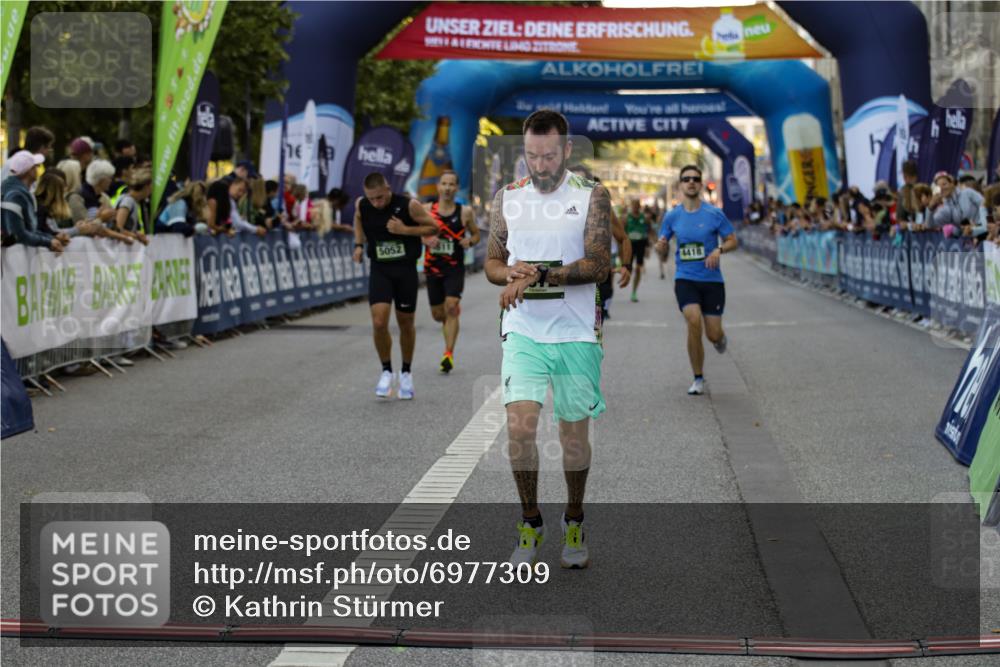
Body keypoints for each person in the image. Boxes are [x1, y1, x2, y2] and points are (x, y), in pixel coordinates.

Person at [485, 109, 611, 570]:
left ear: (567, 151)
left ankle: (573, 517)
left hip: (576, 331)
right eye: (533, 155)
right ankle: (530, 520)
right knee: (519, 428)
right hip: (524, 329)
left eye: (549, 155)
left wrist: (537, 274)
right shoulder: (507, 198)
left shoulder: (592, 195)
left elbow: (599, 264)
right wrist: (509, 273)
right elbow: (493, 263)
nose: (540, 165)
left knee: (573, 437)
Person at [353, 172, 439, 399]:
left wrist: (405, 230)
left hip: (405, 270)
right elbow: (359, 219)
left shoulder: (409, 205)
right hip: (380, 269)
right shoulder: (363, 205)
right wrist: (358, 245)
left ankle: (406, 372)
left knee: (405, 322)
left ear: (388, 188)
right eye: (372, 199)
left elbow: (433, 228)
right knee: (379, 321)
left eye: (380, 198)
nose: (376, 203)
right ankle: (386, 370)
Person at [655, 165, 738, 396]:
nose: (691, 182)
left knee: (712, 334)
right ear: (680, 184)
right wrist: (660, 248)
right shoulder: (672, 216)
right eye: (686, 179)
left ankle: (719, 339)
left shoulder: (714, 214)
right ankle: (698, 377)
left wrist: (719, 250)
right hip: (685, 278)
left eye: (695, 179)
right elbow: (662, 245)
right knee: (693, 321)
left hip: (712, 281)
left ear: (700, 184)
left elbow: (733, 240)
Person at [421, 170, 480, 373]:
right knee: (438, 315)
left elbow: (476, 235)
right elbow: (417, 232)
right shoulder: (427, 210)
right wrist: (425, 239)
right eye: (444, 184)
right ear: (438, 186)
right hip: (433, 268)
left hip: (454, 267)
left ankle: (448, 354)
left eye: (451, 184)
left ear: (456, 188)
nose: (447, 188)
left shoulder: (465, 212)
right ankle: (447, 318)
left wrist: (469, 241)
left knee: (452, 306)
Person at [1, 151, 64, 252]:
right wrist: (48, 242)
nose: (38, 170)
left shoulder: (18, 192)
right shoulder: (15, 195)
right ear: (29, 171)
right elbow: (18, 234)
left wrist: (52, 238)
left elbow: (30, 230)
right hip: (13, 261)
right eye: (36, 167)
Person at [114, 168, 152, 245]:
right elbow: (117, 228)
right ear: (146, 186)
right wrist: (136, 236)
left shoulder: (134, 201)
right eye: (151, 186)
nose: (152, 190)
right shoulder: (128, 201)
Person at [624, 198, 651, 302]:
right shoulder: (626, 218)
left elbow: (649, 231)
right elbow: (622, 235)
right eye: (633, 205)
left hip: (641, 244)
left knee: (638, 268)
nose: (635, 207)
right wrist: (621, 250)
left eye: (637, 205)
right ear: (631, 206)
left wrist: (648, 246)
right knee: (629, 269)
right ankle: (630, 285)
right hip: (630, 245)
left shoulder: (645, 218)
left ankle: (634, 292)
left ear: (639, 206)